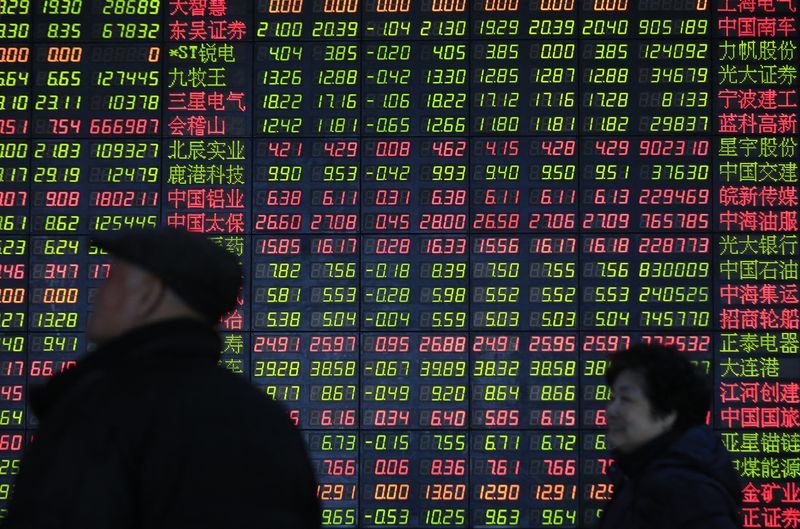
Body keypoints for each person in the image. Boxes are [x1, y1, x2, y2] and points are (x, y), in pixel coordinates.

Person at [4, 229, 321, 529]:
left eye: (113, 279)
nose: (99, 294)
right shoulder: (269, 418)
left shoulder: (103, 409)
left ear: (147, 296)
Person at [598, 342, 742, 529]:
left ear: (668, 413)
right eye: (613, 397)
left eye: (626, 399)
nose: (611, 410)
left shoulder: (686, 491)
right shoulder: (641, 478)